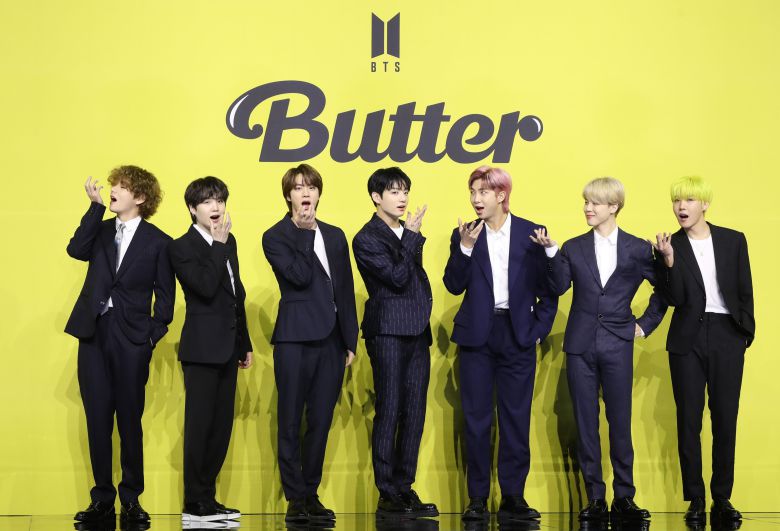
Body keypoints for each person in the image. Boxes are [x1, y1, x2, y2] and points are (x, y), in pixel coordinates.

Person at [531, 177, 666, 522]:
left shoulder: (638, 249)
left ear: (613, 206)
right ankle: (595, 498)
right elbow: (558, 286)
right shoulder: (573, 247)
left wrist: (644, 325)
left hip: (618, 343)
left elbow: (664, 289)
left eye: (594, 203)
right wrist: (551, 252)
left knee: (620, 422)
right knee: (585, 423)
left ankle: (624, 496)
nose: (587, 208)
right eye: (586, 202)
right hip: (580, 345)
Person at [443, 165, 558, 522]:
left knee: (515, 418)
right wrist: (464, 248)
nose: (476, 199)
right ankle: (477, 497)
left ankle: (513, 496)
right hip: (477, 335)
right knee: (476, 420)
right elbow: (453, 284)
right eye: (473, 192)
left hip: (517, 333)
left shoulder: (531, 233)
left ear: (501, 195)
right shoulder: (465, 234)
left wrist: (538, 329)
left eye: (483, 192)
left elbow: (553, 289)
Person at [66, 166, 174, 524]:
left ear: (140, 197)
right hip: (94, 332)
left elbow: (166, 300)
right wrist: (95, 208)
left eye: (122, 186)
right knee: (97, 419)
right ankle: (101, 499)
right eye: (114, 184)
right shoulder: (99, 230)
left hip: (132, 338)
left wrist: (149, 337)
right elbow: (75, 249)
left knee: (129, 420)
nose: (113, 189)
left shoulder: (159, 242)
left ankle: (131, 498)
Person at [653, 176, 754, 525]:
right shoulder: (669, 245)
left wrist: (745, 332)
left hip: (727, 334)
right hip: (687, 338)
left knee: (725, 418)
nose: (681, 206)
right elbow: (673, 298)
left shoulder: (733, 240)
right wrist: (668, 261)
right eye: (677, 200)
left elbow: (744, 289)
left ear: (705, 204)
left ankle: (721, 497)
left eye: (689, 200)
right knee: (689, 420)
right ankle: (695, 498)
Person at [261, 164, 359, 524]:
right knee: (290, 419)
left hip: (331, 339)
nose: (306, 192)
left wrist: (350, 338)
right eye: (299, 187)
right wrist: (303, 234)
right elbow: (299, 278)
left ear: (319, 193)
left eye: (311, 186)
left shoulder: (335, 235)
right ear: (288, 195)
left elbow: (344, 288)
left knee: (320, 419)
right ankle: (295, 497)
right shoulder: (275, 236)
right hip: (294, 338)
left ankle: (311, 492)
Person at [352, 167, 438, 519]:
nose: (402, 198)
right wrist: (412, 238)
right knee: (389, 408)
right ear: (376, 197)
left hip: (416, 331)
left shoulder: (407, 232)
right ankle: (387, 491)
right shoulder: (366, 238)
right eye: (394, 191)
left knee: (414, 411)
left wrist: (410, 236)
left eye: (405, 191)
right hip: (387, 330)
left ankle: (405, 486)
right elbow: (398, 278)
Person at [168, 177, 253, 523]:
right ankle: (194, 499)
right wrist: (218, 245)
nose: (215, 207)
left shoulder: (229, 241)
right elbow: (204, 287)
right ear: (192, 209)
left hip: (229, 347)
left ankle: (208, 497)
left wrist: (245, 342)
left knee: (221, 428)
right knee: (200, 426)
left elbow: (236, 293)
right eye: (207, 201)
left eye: (219, 200)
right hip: (201, 349)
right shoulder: (181, 247)